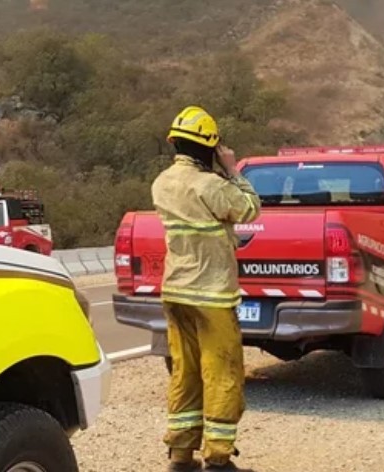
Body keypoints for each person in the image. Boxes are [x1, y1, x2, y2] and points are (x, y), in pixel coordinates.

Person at [153, 106, 261, 472]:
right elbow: (250, 209)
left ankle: (181, 456)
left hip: (175, 292)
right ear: (210, 147)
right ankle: (217, 458)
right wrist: (231, 168)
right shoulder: (211, 185)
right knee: (223, 371)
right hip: (211, 294)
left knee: (185, 372)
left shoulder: (162, 182)